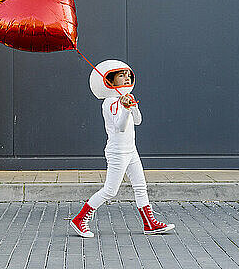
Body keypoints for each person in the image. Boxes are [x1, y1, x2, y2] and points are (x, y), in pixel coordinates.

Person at [70, 59, 175, 237]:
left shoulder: (123, 99)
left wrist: (132, 107)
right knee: (110, 190)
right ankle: (80, 220)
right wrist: (126, 108)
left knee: (140, 186)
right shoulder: (110, 102)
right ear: (110, 80)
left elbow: (138, 120)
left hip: (130, 150)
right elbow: (120, 126)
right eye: (121, 75)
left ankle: (149, 224)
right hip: (118, 152)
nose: (126, 78)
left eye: (128, 75)